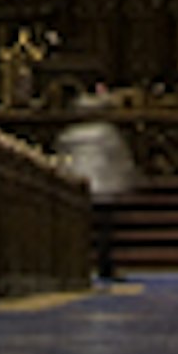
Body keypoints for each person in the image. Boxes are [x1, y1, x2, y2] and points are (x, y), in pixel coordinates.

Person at [55, 100, 139, 282]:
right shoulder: (107, 133)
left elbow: (60, 161)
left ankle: (76, 265)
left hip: (76, 186)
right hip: (103, 188)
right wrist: (126, 182)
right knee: (103, 231)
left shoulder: (68, 135)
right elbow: (120, 162)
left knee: (79, 229)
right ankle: (104, 265)